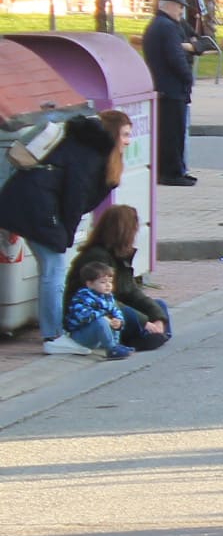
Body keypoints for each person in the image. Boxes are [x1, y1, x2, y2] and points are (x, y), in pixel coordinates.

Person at [0, 110, 127, 355]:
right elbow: (75, 197)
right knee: (53, 269)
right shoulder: (91, 153)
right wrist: (65, 234)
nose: (128, 140)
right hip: (37, 209)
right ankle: (54, 336)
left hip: (30, 205)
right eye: (124, 134)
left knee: (51, 268)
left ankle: (53, 332)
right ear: (112, 134)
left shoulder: (85, 145)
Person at [68, 204, 169, 351]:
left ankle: (157, 333)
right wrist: (144, 322)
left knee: (159, 305)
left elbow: (132, 291)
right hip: (92, 311)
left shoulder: (119, 253)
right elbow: (104, 300)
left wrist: (158, 319)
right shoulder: (96, 256)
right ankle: (140, 337)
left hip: (114, 303)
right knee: (126, 312)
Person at [143, 0, 197, 185]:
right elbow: (175, 57)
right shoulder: (167, 27)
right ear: (168, 5)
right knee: (172, 133)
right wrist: (187, 78)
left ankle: (175, 170)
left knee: (170, 131)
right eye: (179, 7)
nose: (181, 11)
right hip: (171, 87)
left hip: (164, 86)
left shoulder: (161, 25)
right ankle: (171, 173)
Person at [61, 259, 133, 360]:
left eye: (110, 282)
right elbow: (83, 315)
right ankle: (111, 349)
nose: (108, 285)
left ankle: (115, 344)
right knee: (101, 321)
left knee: (113, 320)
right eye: (103, 282)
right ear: (90, 284)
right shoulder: (83, 297)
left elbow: (115, 310)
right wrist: (104, 318)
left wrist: (118, 321)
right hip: (81, 335)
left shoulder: (107, 296)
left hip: (97, 335)